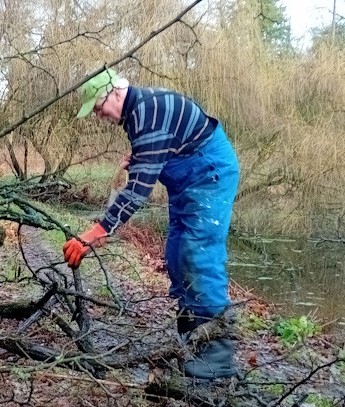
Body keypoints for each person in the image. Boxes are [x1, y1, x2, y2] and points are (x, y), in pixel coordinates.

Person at [62, 69, 240, 380]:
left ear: (116, 92)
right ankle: (192, 338)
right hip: (189, 179)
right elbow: (164, 148)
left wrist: (98, 232)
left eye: (98, 107)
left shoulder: (146, 113)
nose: (98, 115)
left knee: (198, 255)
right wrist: (146, 157)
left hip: (209, 174)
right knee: (176, 254)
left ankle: (218, 355)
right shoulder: (136, 113)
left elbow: (138, 190)